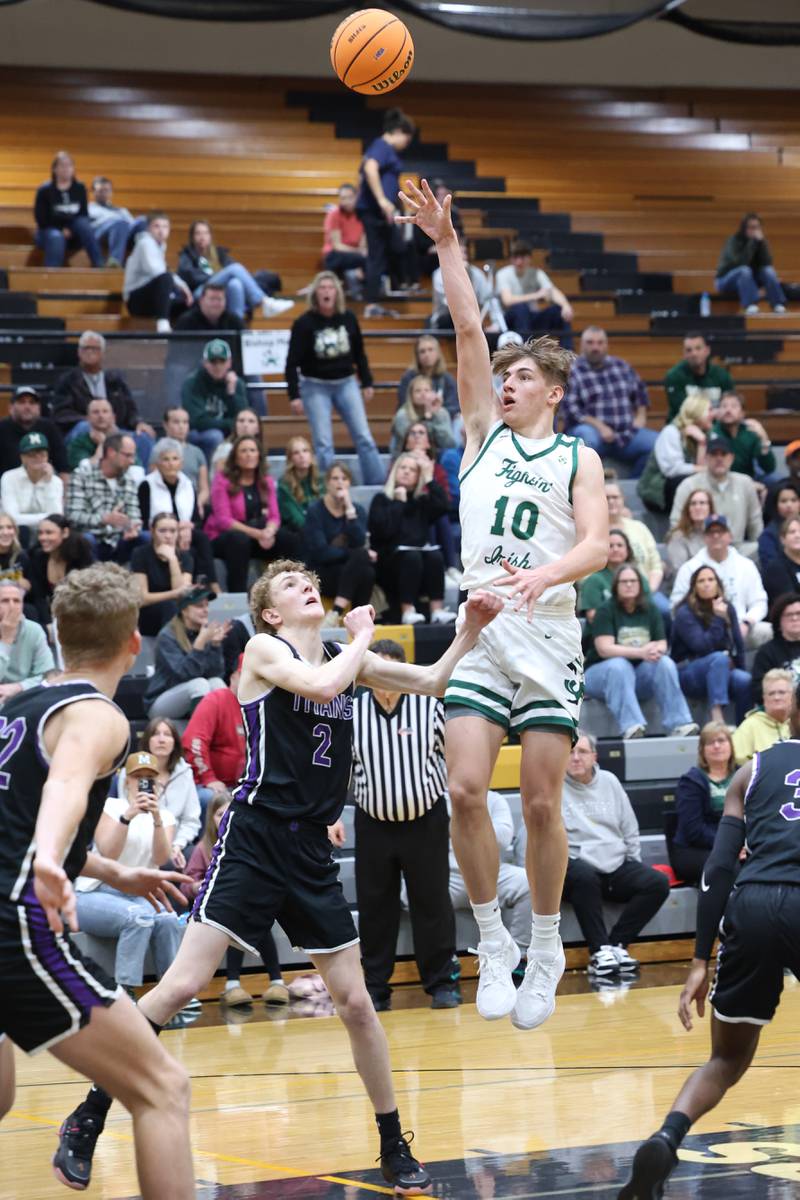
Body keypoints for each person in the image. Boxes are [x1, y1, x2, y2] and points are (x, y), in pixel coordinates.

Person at [59, 558, 503, 1194]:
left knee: (355, 1004)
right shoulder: (264, 650)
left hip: (310, 852)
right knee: (183, 983)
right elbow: (322, 688)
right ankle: (89, 1114)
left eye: (311, 582)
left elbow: (431, 681)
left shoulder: (342, 655)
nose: (309, 588)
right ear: (270, 610)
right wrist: (358, 637)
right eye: (294, 585)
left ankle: (392, 1141)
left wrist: (468, 631)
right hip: (256, 838)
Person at [398, 177, 608, 1030]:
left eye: (522, 376)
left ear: (552, 391)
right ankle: (492, 939)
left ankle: (550, 943)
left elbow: (597, 546)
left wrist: (544, 575)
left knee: (545, 803)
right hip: (480, 627)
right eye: (505, 375)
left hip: (548, 628)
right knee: (466, 792)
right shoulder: (479, 431)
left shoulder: (577, 458)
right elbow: (465, 327)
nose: (507, 383)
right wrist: (448, 246)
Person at [0, 563, 194, 1200]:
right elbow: (63, 785)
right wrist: (54, 860)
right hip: (13, 927)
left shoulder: (21, 705)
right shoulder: (99, 716)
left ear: (55, 633)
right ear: (135, 643)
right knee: (163, 1088)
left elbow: (20, 814)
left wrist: (112, 872)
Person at [617, 689, 800, 1200]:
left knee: (725, 1060)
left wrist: (699, 960)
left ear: (792, 715)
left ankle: (667, 1136)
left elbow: (718, 868)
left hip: (753, 904)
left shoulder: (752, 771)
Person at [352, 638, 460, 1012]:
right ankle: (376, 989)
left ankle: (442, 983)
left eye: (389, 669)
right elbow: (339, 772)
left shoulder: (429, 706)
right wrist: (332, 815)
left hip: (426, 820)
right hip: (373, 823)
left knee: (432, 903)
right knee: (375, 909)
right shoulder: (352, 712)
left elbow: (454, 758)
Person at [548, 732, 670, 977]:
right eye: (570, 752)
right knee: (584, 876)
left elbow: (630, 827)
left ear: (594, 756)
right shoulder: (554, 786)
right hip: (576, 867)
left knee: (657, 883)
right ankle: (599, 951)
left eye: (582, 752)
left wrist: (632, 862)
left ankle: (616, 945)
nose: (575, 758)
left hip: (614, 864)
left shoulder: (610, 781)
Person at [74, 750, 185, 994]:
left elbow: (160, 858)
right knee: (138, 917)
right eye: (138, 777)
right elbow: (109, 852)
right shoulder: (111, 807)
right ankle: (125, 993)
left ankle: (171, 992)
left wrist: (155, 816)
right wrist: (129, 815)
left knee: (168, 920)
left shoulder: (165, 817)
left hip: (139, 893)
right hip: (92, 892)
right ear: (127, 780)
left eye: (149, 778)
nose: (143, 782)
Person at [181, 793, 289, 1009]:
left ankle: (276, 982)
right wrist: (196, 886)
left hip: (249, 905)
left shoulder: (253, 843)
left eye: (230, 812)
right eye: (220, 814)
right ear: (211, 818)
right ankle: (232, 984)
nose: (225, 817)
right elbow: (186, 884)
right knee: (234, 921)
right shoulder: (203, 848)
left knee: (256, 917)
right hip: (215, 910)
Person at [285, 271, 384, 484]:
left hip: (346, 382)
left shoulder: (348, 318)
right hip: (315, 385)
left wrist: (367, 381)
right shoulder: (304, 323)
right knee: (323, 443)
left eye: (330, 287)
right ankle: (327, 487)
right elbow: (291, 362)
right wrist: (294, 395)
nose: (326, 292)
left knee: (364, 437)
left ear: (337, 293)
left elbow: (359, 353)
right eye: (322, 288)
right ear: (315, 294)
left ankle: (378, 484)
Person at [584, 564, 697, 740]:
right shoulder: (606, 610)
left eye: (633, 581)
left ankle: (680, 723)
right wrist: (641, 652)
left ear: (640, 584)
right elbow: (604, 648)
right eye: (624, 581)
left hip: (635, 676)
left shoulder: (650, 608)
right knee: (619, 665)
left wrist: (655, 650)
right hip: (598, 675)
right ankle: (632, 726)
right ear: (616, 586)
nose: (629, 585)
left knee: (665, 662)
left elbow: (661, 643)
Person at [368, 453, 454, 626]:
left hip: (418, 566)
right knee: (412, 556)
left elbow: (444, 506)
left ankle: (437, 610)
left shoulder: (420, 501)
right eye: (403, 468)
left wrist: (429, 478)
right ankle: (407, 611)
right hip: (389, 566)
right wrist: (399, 503)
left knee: (435, 555)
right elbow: (382, 533)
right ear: (395, 471)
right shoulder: (382, 499)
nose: (406, 472)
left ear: (417, 477)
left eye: (412, 470)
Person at [561, 326, 656, 477]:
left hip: (626, 433)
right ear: (582, 345)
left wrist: (641, 416)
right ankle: (587, 487)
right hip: (591, 432)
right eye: (590, 343)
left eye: (600, 343)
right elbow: (572, 410)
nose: (595, 347)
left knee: (656, 444)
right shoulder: (573, 370)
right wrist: (599, 426)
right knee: (586, 439)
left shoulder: (621, 366)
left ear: (606, 345)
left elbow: (640, 392)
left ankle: (631, 488)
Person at [450, 791, 532, 963]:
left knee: (528, 882)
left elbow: (504, 838)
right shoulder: (436, 800)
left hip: (491, 872)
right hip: (450, 876)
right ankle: (445, 961)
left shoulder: (494, 799)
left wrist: (467, 827)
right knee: (423, 889)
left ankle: (519, 956)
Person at [52, 330, 155, 466]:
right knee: (84, 427)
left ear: (102, 353)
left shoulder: (115, 380)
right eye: (86, 348)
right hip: (81, 429)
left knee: (144, 437)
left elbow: (130, 408)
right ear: (79, 352)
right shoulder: (68, 381)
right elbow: (61, 414)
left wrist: (138, 423)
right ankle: (81, 470)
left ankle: (140, 477)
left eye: (94, 348)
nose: (90, 352)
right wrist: (94, 421)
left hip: (115, 429)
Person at [204, 434, 290, 593]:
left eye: (252, 450)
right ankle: (238, 595)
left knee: (287, 537)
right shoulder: (222, 480)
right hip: (224, 538)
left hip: (257, 535)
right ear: (235, 457)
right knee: (239, 540)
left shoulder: (266, 480)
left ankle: (286, 592)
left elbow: (274, 516)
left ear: (259, 455)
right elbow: (224, 521)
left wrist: (269, 531)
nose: (249, 454)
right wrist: (258, 534)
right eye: (243, 451)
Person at [670, 514, 770, 650]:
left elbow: (759, 602)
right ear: (704, 538)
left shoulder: (746, 565)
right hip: (703, 629)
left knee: (773, 631)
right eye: (711, 533)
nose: (716, 536)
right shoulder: (689, 568)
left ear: (730, 536)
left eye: (721, 532)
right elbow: (676, 605)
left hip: (741, 626)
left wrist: (747, 622)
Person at [670, 565, 751, 725]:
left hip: (721, 670)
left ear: (718, 584)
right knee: (718, 658)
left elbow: (738, 644)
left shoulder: (727, 608)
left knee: (745, 680)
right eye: (701, 581)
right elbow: (701, 646)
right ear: (694, 587)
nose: (707, 584)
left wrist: (740, 668)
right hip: (689, 672)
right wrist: (719, 618)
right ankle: (717, 718)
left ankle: (743, 727)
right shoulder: (684, 612)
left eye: (711, 579)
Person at [356, 108, 416, 314]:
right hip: (374, 211)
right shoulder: (381, 146)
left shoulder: (388, 151)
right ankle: (371, 302)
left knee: (398, 247)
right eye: (406, 140)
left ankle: (395, 288)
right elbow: (369, 168)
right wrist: (381, 200)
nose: (406, 145)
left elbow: (390, 182)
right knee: (377, 255)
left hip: (383, 213)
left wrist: (402, 203)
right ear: (399, 131)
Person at [302, 462, 375, 627]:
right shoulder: (315, 511)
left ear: (349, 483)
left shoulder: (357, 510)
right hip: (321, 574)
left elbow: (358, 541)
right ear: (327, 483)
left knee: (367, 571)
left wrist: (349, 509)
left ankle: (337, 612)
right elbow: (321, 552)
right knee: (362, 560)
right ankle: (357, 621)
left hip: (349, 573)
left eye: (344, 478)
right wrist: (351, 553)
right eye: (335, 478)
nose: (340, 482)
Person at [121, 720, 200, 870]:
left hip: (173, 839)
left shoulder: (185, 773)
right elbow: (123, 811)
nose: (161, 739)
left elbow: (191, 819)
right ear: (147, 740)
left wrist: (177, 845)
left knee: (182, 858)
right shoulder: (129, 772)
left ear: (175, 742)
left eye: (167, 734)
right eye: (156, 734)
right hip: (137, 838)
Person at [177, 219, 293, 320]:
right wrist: (220, 277)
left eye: (205, 233)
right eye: (198, 233)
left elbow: (233, 271)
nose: (202, 237)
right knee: (235, 269)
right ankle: (264, 302)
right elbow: (191, 276)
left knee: (235, 283)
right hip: (199, 291)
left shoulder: (218, 253)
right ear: (192, 237)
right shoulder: (187, 255)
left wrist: (223, 277)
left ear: (210, 236)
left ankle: (237, 326)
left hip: (221, 289)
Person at [669, 435, 763, 559]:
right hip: (700, 548)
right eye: (714, 454)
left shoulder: (745, 483)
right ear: (706, 458)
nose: (719, 459)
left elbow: (755, 522)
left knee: (763, 549)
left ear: (731, 458)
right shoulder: (689, 485)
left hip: (737, 548)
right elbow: (676, 523)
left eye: (723, 454)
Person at [144, 584, 228, 720]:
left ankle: (227, 735)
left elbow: (215, 674)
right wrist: (200, 644)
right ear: (184, 610)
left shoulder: (203, 632)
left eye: (207, 606)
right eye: (199, 606)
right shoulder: (168, 636)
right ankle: (199, 734)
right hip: (161, 702)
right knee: (199, 684)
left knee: (217, 683)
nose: (205, 610)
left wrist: (215, 645)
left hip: (192, 694)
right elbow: (185, 674)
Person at [670, 722, 737, 886]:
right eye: (710, 742)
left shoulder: (744, 775)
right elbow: (694, 830)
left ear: (730, 745)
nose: (716, 746)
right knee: (731, 867)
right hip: (694, 850)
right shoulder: (691, 782)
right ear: (702, 750)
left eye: (721, 740)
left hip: (735, 846)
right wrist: (730, 846)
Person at [66, 433, 146, 564]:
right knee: (85, 539)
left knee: (144, 538)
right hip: (92, 538)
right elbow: (72, 516)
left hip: (119, 539)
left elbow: (134, 515)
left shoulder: (129, 481)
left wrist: (132, 528)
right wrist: (104, 519)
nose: (132, 461)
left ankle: (139, 582)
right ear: (111, 452)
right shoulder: (82, 476)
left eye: (133, 456)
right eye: (128, 455)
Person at [603, 481, 669, 622]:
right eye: (606, 497)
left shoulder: (639, 528)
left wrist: (648, 591)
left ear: (623, 500)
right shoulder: (593, 530)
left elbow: (655, 565)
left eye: (615, 497)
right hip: (606, 593)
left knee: (666, 611)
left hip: (643, 590)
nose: (611, 501)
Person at [637, 394, 711, 515]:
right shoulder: (671, 432)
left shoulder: (704, 435)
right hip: (658, 492)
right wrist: (702, 469)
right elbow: (672, 470)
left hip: (679, 487)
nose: (713, 414)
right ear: (698, 411)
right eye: (709, 410)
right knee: (683, 481)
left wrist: (702, 443)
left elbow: (701, 472)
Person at [180, 337, 248, 464]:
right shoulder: (192, 383)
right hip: (199, 434)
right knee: (214, 436)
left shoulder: (236, 383)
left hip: (231, 435)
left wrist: (232, 393)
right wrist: (231, 424)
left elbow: (244, 418)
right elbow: (197, 421)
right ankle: (212, 480)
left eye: (222, 361)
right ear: (205, 363)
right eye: (213, 362)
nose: (218, 366)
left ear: (229, 362)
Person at [124, 211, 193, 333]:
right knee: (166, 278)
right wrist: (181, 285)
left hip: (152, 298)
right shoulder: (145, 243)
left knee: (187, 305)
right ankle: (163, 325)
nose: (161, 230)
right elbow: (157, 272)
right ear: (149, 228)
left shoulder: (160, 245)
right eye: (157, 226)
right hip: (136, 300)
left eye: (165, 226)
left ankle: (185, 335)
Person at [494, 239, 573, 346]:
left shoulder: (536, 273)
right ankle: (525, 351)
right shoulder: (503, 274)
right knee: (521, 308)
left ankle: (568, 356)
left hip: (531, 319)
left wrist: (565, 305)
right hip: (510, 320)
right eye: (515, 257)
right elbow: (507, 300)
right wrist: (536, 295)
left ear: (529, 259)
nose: (518, 262)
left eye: (522, 257)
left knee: (559, 311)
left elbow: (552, 291)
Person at [33, 150, 103, 268]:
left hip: (74, 232)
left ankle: (100, 265)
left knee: (84, 224)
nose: (66, 168)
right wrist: (61, 229)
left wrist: (69, 229)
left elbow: (83, 214)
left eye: (69, 165)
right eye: (62, 165)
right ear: (54, 169)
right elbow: (41, 219)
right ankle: (51, 277)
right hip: (49, 231)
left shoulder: (80, 188)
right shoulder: (44, 190)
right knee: (56, 237)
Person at [25, 514, 93, 632]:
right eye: (40, 533)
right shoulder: (38, 557)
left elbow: (87, 592)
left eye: (49, 532)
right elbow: (39, 596)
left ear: (65, 532)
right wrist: (48, 623)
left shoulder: (80, 555)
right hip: (51, 612)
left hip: (81, 611)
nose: (43, 537)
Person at [130, 513, 194, 638]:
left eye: (173, 531)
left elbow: (182, 596)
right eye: (162, 531)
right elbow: (142, 598)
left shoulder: (186, 557)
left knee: (188, 609)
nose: (168, 536)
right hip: (148, 614)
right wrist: (173, 594)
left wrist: (172, 559)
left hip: (176, 610)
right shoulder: (140, 554)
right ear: (152, 531)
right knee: (170, 605)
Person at [714, 211, 787, 314]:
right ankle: (750, 304)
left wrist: (761, 244)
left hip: (748, 281)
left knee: (768, 270)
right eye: (751, 227)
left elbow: (767, 262)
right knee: (744, 270)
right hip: (725, 280)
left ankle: (778, 304)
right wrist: (752, 243)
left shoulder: (760, 242)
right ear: (744, 228)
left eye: (757, 227)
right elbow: (739, 263)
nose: (754, 230)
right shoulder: (733, 241)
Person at [0, 580, 55, 705]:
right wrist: (6, 640)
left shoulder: (34, 630)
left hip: (26, 699)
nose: (12, 606)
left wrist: (19, 687)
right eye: (5, 601)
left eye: (16, 601)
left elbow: (49, 675)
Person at [578, 528, 647, 627]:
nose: (615, 549)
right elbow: (592, 616)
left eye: (620, 545)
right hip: (604, 633)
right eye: (610, 546)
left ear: (628, 550)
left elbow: (649, 609)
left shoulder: (638, 577)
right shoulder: (594, 580)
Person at [0, 432, 64, 537]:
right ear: (22, 457)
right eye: (32, 455)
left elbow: (57, 518)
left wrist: (49, 483)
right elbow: (11, 518)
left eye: (42, 454)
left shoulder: (56, 482)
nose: (38, 458)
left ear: (47, 456)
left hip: (46, 533)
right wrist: (46, 518)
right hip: (15, 534)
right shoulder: (9, 478)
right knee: (23, 530)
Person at [663, 332, 735, 421]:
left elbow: (730, 406)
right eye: (689, 350)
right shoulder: (673, 376)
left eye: (698, 348)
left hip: (715, 426)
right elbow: (681, 411)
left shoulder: (723, 376)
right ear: (684, 354)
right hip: (683, 427)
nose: (694, 354)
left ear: (707, 351)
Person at [0, 385, 68, 478]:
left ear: (39, 408)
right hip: (7, 487)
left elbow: (63, 468)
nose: (27, 407)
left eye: (32, 403)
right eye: (22, 402)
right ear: (10, 407)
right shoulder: (2, 428)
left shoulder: (49, 428)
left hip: (43, 485)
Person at [430, 235, 492, 336]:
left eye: (465, 253)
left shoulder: (477, 274)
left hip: (473, 319)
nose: (463, 256)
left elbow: (486, 300)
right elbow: (451, 303)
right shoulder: (439, 274)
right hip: (446, 318)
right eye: (459, 252)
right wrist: (461, 276)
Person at [731, 668, 793, 765]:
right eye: (771, 693)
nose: (776, 697)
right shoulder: (750, 725)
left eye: (781, 692)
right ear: (764, 699)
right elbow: (734, 761)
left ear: (792, 696)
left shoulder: (797, 724)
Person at [711, 390, 776, 480]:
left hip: (748, 480)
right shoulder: (712, 433)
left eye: (734, 406)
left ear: (742, 413)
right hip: (720, 479)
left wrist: (764, 438)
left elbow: (769, 468)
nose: (728, 410)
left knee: (775, 480)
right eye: (724, 406)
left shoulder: (750, 432)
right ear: (718, 411)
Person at [137, 437, 198, 528]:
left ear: (182, 463)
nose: (171, 463)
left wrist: (188, 527)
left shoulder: (188, 484)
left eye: (175, 459)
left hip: (185, 532)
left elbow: (197, 520)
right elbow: (144, 520)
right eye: (166, 459)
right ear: (158, 463)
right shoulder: (146, 485)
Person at [390, 374, 456, 457]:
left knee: (450, 455)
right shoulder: (402, 415)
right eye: (418, 391)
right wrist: (427, 417)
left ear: (433, 393)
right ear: (411, 395)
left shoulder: (441, 413)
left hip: (435, 456)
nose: (423, 394)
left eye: (427, 390)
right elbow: (414, 443)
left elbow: (449, 443)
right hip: (406, 458)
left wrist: (435, 415)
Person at [87, 175, 147, 266]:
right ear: (94, 192)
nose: (104, 193)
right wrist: (115, 221)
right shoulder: (89, 208)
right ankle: (115, 262)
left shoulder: (121, 210)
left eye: (107, 190)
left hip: (123, 232)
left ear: (111, 192)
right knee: (120, 223)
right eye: (100, 191)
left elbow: (131, 225)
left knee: (143, 221)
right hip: (101, 234)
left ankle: (147, 260)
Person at [751, 594, 800, 703]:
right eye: (789, 615)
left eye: (798, 613)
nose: (795, 618)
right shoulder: (767, 652)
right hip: (783, 710)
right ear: (779, 621)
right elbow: (758, 690)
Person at [397, 333, 459, 418]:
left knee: (459, 421)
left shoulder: (447, 379)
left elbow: (454, 406)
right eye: (422, 351)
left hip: (440, 419)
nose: (427, 354)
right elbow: (404, 403)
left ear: (438, 353)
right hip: (414, 421)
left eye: (430, 350)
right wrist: (423, 414)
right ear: (417, 356)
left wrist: (434, 412)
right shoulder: (408, 378)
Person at [322, 182, 367, 295]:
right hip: (336, 253)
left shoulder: (362, 214)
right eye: (343, 198)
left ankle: (369, 295)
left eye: (350, 198)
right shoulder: (334, 214)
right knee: (334, 259)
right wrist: (359, 252)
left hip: (354, 254)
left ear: (356, 197)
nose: (346, 202)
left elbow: (363, 241)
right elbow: (337, 246)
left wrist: (361, 252)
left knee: (372, 258)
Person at [162, 406, 210, 511]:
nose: (181, 426)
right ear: (165, 425)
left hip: (194, 505)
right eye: (176, 422)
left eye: (185, 422)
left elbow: (204, 489)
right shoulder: (158, 451)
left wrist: (197, 503)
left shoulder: (197, 452)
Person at [277, 435, 323, 543]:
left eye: (305, 451)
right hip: (298, 532)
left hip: (320, 532)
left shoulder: (321, 480)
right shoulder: (284, 484)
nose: (302, 456)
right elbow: (296, 519)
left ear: (311, 455)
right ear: (290, 458)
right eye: (296, 453)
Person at [664, 487, 714, 575]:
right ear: (688, 509)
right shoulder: (677, 537)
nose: (697, 507)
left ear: (710, 508)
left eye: (702, 503)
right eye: (693, 504)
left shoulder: (717, 535)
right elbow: (680, 571)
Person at [66, 397, 121, 471]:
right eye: (96, 412)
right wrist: (102, 444)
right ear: (87, 418)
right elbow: (86, 470)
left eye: (105, 411)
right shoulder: (78, 443)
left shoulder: (124, 442)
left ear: (113, 417)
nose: (101, 416)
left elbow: (135, 467)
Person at [209, 407, 263, 478]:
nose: (245, 425)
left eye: (251, 421)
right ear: (235, 425)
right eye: (241, 421)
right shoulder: (226, 449)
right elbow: (220, 479)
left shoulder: (260, 449)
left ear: (258, 428)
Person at [759, 481, 800, 568]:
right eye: (783, 501)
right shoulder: (768, 535)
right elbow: (770, 567)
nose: (789, 505)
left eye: (794, 500)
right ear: (775, 505)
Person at [763, 515, 800, 607]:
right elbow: (788, 601)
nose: (797, 535)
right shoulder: (775, 568)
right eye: (792, 532)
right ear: (782, 539)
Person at [0, 513, 30, 589]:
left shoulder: (22, 556)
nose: (5, 532)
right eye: (0, 528)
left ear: (15, 531)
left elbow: (30, 587)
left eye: (9, 527)